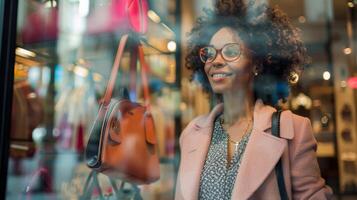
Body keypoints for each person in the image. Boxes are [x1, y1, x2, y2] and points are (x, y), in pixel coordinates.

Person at [175, 0, 334, 199]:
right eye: (209, 53)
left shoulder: (292, 130)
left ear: (257, 63)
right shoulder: (191, 134)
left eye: (230, 51)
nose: (215, 61)